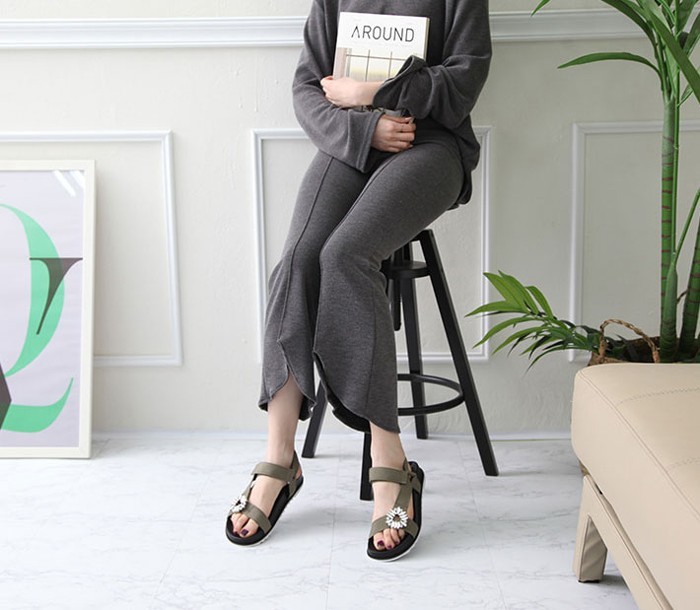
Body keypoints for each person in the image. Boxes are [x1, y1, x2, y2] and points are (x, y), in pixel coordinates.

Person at [227, 0, 491, 561]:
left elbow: (464, 81)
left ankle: (390, 462)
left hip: (433, 145)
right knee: (297, 261)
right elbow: (308, 89)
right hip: (349, 139)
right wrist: (366, 126)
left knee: (346, 254)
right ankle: (279, 457)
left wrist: (372, 92)